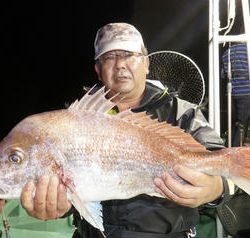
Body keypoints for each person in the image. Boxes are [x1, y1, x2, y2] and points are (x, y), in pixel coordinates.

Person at [16, 22, 229, 238]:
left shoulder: (182, 114)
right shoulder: (75, 120)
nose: (119, 65)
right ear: (98, 70)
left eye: (128, 54)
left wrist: (216, 189)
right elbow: (76, 190)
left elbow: (223, 164)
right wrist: (55, 205)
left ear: (146, 64)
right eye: (109, 57)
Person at [221, 42, 250, 147]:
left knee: (235, 123)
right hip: (246, 91)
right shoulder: (248, 50)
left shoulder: (226, 53)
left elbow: (223, 75)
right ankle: (236, 149)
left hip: (231, 93)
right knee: (242, 124)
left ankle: (231, 145)